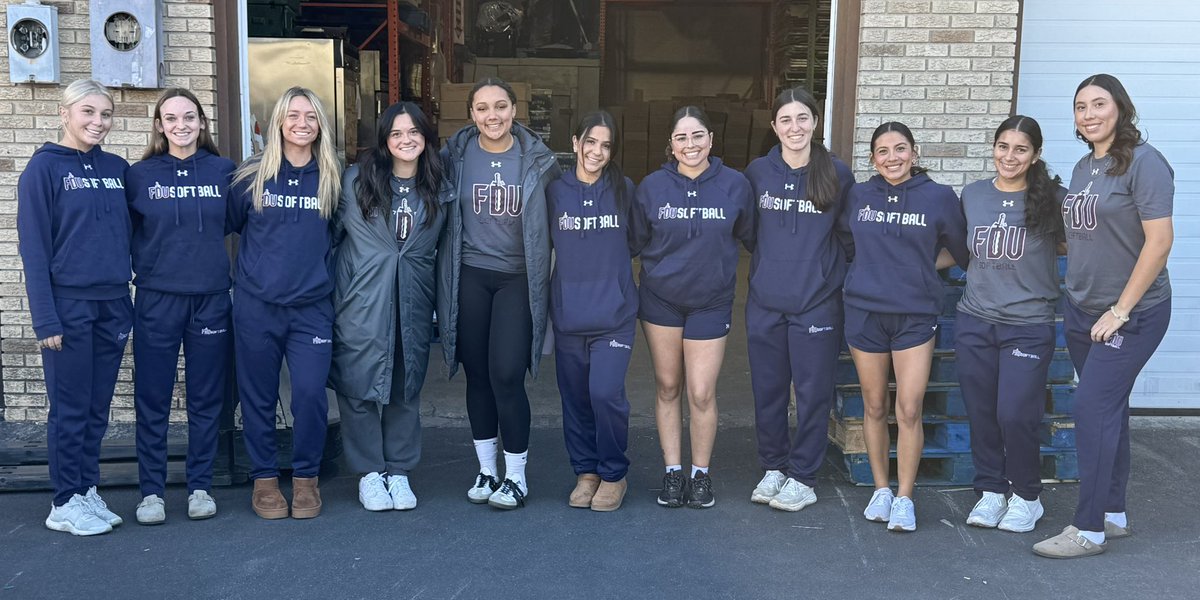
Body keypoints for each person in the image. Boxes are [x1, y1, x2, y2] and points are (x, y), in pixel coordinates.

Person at [1033, 74, 1174, 559]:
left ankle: (1088, 529)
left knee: (1091, 408)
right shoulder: (1082, 168)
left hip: (1131, 314)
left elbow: (1159, 243)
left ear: (1121, 109)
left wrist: (1121, 309)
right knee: (1109, 409)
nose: (1089, 114)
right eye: (1080, 107)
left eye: (1099, 104)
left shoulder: (1145, 164)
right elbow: (1084, 237)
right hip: (1082, 309)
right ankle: (1113, 514)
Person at [437, 78, 559, 510]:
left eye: (501, 106)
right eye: (484, 108)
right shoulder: (452, 157)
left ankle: (517, 476)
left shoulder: (538, 160)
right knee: (477, 376)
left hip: (516, 278)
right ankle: (488, 471)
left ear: (514, 110)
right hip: (468, 275)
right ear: (471, 114)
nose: (493, 116)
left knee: (506, 373)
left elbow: (560, 217)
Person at [18, 79, 131, 536]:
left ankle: (86, 488)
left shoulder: (117, 168)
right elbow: (34, 249)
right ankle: (63, 501)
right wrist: (45, 318)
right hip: (68, 307)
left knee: (96, 408)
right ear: (64, 113)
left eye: (105, 114)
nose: (97, 122)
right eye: (88, 112)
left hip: (113, 305)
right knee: (69, 408)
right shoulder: (42, 169)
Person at [843, 121, 968, 532]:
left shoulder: (938, 197)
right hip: (865, 312)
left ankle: (905, 497)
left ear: (914, 153)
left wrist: (918, 268)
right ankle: (881, 489)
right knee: (875, 404)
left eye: (900, 149)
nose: (892, 158)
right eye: (883, 151)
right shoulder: (858, 195)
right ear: (872, 158)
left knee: (909, 408)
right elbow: (847, 245)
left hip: (915, 314)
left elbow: (961, 252)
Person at [632, 105, 755, 509]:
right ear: (671, 144)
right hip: (661, 299)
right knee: (668, 386)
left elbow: (750, 236)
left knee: (701, 392)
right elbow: (633, 241)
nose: (691, 145)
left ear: (711, 140)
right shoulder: (651, 187)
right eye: (682, 137)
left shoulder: (735, 185)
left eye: (698, 135)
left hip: (711, 300)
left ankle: (700, 474)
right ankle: (672, 472)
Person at [229, 87, 342, 520]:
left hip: (311, 308)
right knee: (257, 397)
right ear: (279, 120)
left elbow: (336, 237)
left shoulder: (331, 176)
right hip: (257, 306)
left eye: (310, 116)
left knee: (311, 395)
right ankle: (263, 480)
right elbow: (233, 228)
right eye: (293, 114)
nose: (301, 123)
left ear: (320, 125)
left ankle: (306, 479)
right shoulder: (251, 176)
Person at [329, 102, 447, 512]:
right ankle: (369, 473)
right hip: (361, 302)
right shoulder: (355, 182)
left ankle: (398, 470)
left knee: (405, 385)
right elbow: (329, 238)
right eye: (396, 134)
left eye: (413, 132)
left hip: (411, 303)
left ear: (426, 138)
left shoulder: (437, 188)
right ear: (384, 141)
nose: (405, 140)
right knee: (358, 387)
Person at [742, 87, 855, 512]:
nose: (795, 127)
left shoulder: (837, 174)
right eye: (786, 120)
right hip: (766, 301)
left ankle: (803, 475)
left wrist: (821, 274)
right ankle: (773, 466)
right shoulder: (757, 172)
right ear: (774, 126)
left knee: (812, 392)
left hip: (817, 303)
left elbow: (847, 238)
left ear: (815, 122)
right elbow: (750, 233)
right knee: (768, 389)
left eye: (803, 118)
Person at [126, 88, 236, 525]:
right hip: (156, 299)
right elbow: (127, 231)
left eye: (189, 117)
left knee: (205, 399)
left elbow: (231, 224)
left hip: (210, 299)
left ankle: (200, 487)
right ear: (159, 125)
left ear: (202, 123)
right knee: (152, 398)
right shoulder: (139, 175)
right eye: (170, 118)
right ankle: (151, 493)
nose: (181, 125)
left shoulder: (223, 171)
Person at [956, 116, 1065, 534]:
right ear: (994, 148)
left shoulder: (1053, 198)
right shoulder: (973, 195)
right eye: (1003, 146)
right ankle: (991, 491)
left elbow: (1085, 242)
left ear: (1035, 154)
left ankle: (1027, 496)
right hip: (975, 320)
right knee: (982, 412)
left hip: (1028, 324)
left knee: (1016, 413)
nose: (1009, 156)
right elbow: (959, 248)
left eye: (1020, 149)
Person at [548, 111, 638, 512]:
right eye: (590, 142)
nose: (596, 152)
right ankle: (586, 472)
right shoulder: (555, 192)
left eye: (605, 145)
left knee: (604, 393)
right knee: (575, 398)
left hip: (614, 314)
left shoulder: (625, 191)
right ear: (575, 142)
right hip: (569, 313)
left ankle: (614, 473)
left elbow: (638, 241)